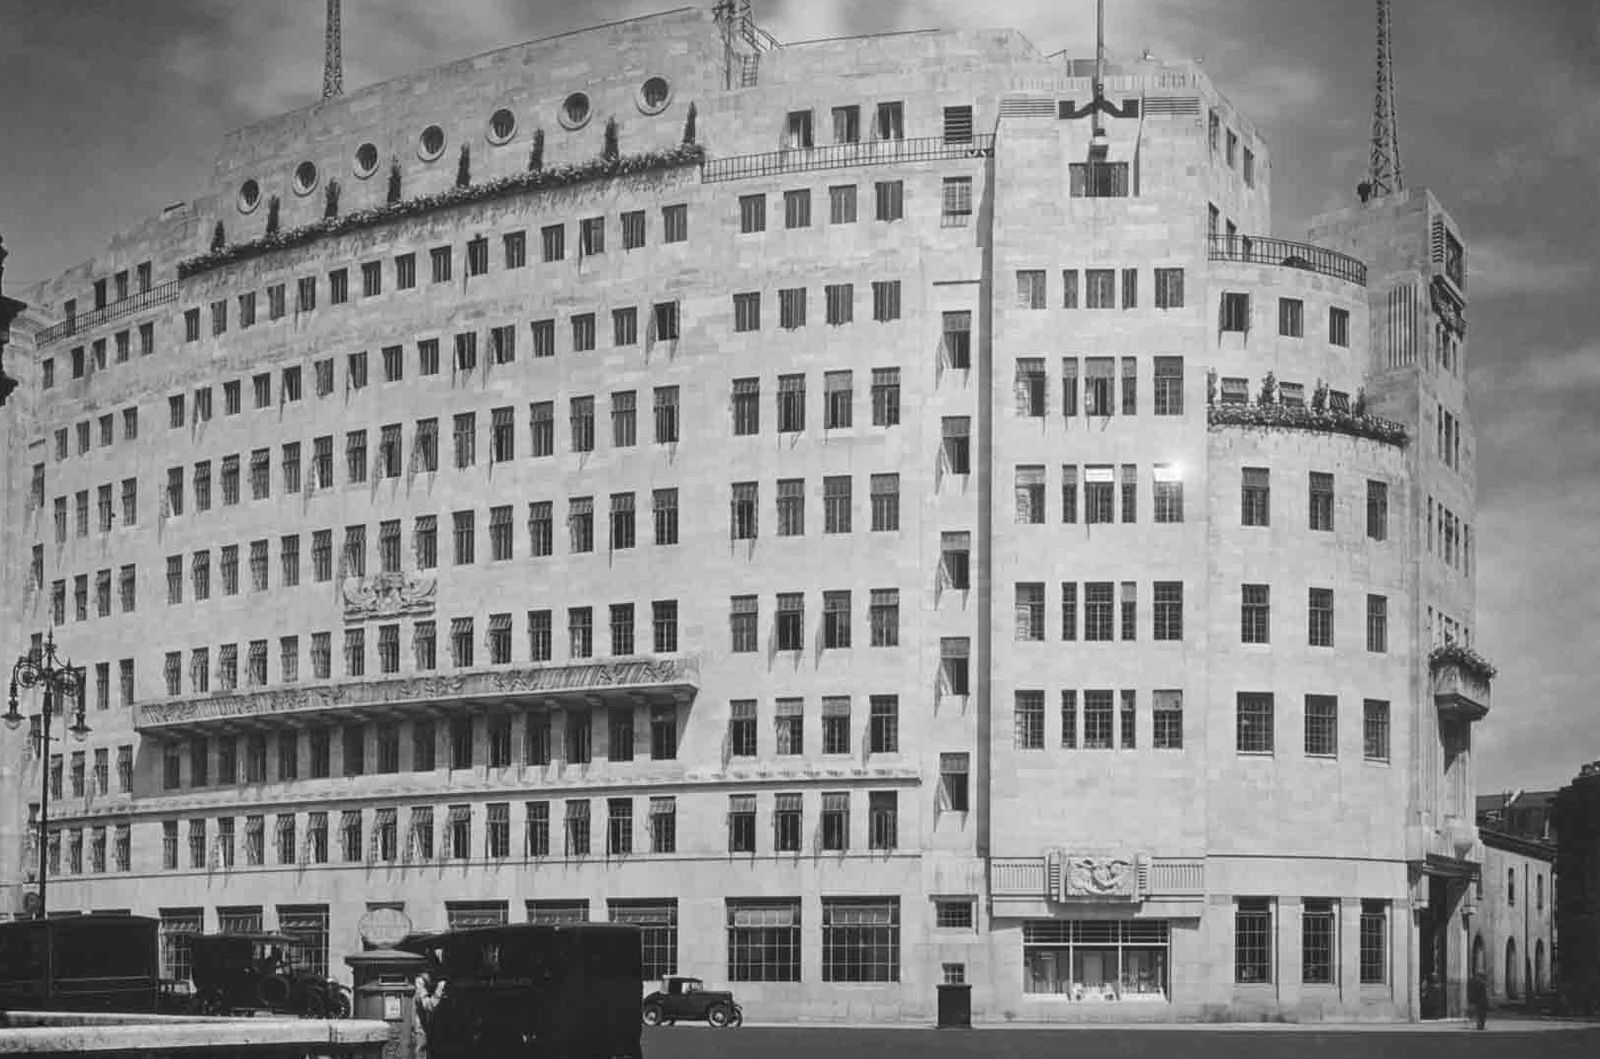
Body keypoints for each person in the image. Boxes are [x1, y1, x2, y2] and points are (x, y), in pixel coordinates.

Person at [414, 964, 446, 1059]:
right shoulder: (419, 983)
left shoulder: (420, 982)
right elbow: (429, 1006)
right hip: (418, 1030)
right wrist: (440, 988)